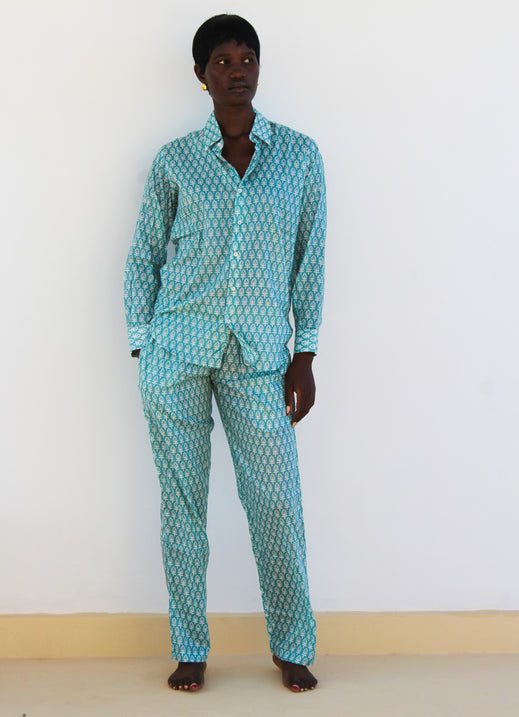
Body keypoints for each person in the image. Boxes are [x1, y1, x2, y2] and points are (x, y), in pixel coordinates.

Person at [124, 14, 326, 693]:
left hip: (260, 357)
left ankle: (292, 644)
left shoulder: (298, 156)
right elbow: (144, 255)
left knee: (275, 502)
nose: (236, 70)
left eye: (247, 58)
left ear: (259, 68)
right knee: (183, 507)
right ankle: (190, 647)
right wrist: (143, 343)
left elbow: (309, 259)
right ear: (200, 74)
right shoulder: (175, 161)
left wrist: (305, 353)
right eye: (221, 61)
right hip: (176, 352)